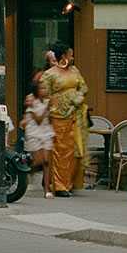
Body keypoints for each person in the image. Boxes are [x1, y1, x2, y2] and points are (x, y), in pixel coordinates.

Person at [46, 45, 90, 195]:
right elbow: (43, 94)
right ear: (63, 56)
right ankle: (59, 186)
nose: (73, 58)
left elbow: (84, 88)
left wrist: (78, 98)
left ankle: (69, 183)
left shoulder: (75, 71)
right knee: (60, 150)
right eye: (71, 55)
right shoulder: (50, 74)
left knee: (75, 150)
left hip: (75, 115)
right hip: (58, 116)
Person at [22, 75, 55, 197]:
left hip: (46, 132)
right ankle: (24, 173)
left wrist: (51, 109)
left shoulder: (47, 102)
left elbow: (50, 120)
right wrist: (47, 108)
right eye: (42, 89)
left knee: (46, 161)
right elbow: (39, 120)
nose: (45, 91)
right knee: (38, 161)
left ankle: (47, 189)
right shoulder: (32, 103)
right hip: (34, 133)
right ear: (37, 91)